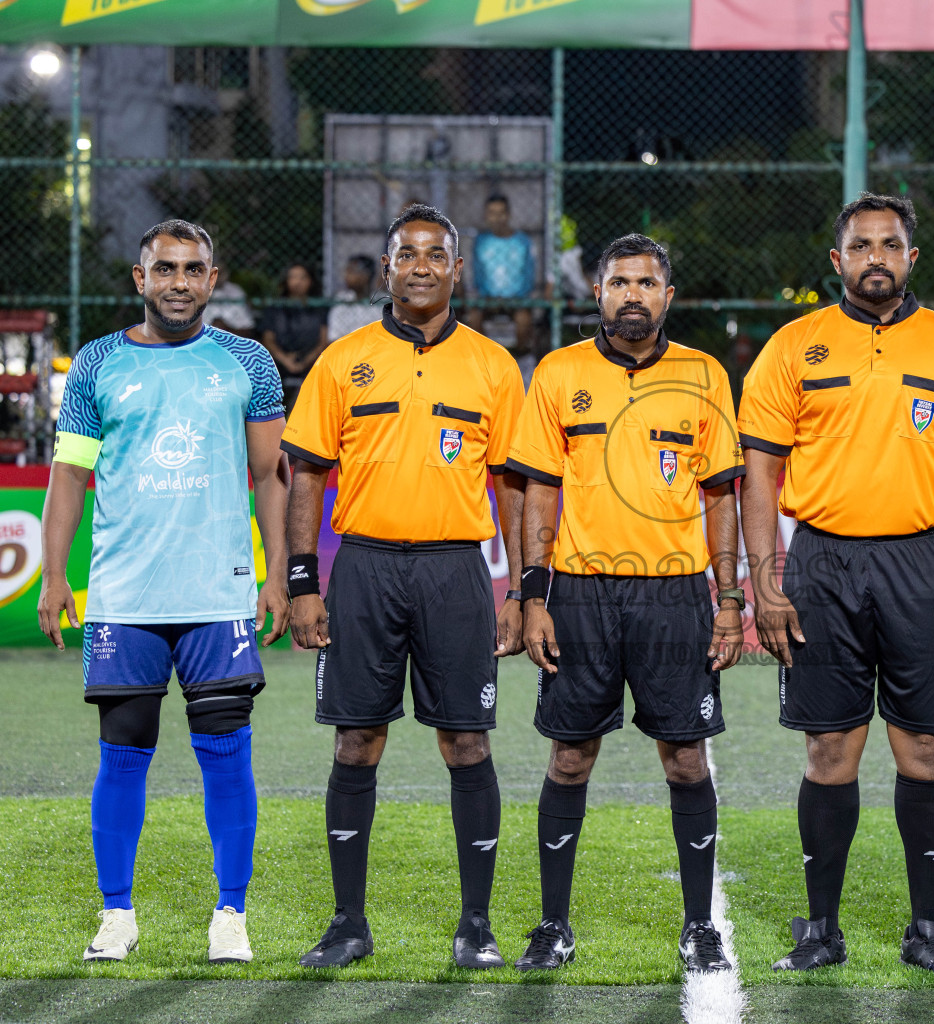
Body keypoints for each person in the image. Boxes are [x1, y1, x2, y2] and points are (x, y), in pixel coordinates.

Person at [737, 193, 934, 975]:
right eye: (860, 245)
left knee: (925, 749)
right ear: (837, 261)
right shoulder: (793, 347)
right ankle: (820, 928)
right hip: (822, 561)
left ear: (910, 258)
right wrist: (765, 582)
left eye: (889, 245)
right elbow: (757, 473)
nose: (875, 257)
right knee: (829, 748)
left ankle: (927, 929)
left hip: (925, 562)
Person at [37, 219, 290, 966]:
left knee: (226, 754)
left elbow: (271, 476)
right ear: (139, 279)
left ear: (213, 281)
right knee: (121, 757)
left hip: (218, 595)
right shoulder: (96, 364)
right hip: (126, 599)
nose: (179, 282)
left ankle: (231, 913)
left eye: (194, 269)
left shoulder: (247, 361)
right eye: (164, 268)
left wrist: (279, 573)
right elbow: (71, 476)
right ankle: (117, 914)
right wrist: (56, 575)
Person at [281, 203, 526, 971]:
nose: (420, 265)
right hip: (363, 568)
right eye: (406, 254)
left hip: (457, 571)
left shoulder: (492, 366)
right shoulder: (341, 359)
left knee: (466, 741)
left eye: (435, 254)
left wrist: (523, 589)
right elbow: (306, 474)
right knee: (357, 739)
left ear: (457, 268)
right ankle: (347, 923)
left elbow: (514, 487)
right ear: (385, 268)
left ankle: (476, 926)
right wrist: (301, 580)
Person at [504, 233, 745, 974]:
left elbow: (720, 496)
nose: (631, 295)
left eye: (646, 283)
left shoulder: (705, 375)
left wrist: (729, 598)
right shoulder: (560, 372)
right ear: (597, 293)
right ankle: (553, 926)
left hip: (675, 595)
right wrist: (532, 595)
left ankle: (700, 925)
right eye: (618, 282)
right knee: (570, 758)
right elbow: (537, 490)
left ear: (668, 297)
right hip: (579, 595)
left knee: (684, 759)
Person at [463, 194, 539, 353]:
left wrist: (519, 296)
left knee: (524, 320)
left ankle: (518, 357)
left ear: (508, 214)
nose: (497, 218)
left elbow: (529, 274)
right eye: (492, 213)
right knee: (473, 317)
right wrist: (485, 295)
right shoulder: (481, 241)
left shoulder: (522, 241)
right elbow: (477, 273)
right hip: (488, 298)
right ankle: (487, 356)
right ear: (486, 216)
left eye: (501, 213)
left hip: (517, 298)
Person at [259, 263, 329, 412]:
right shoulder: (275, 308)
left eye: (303, 277)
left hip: (311, 360)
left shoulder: (320, 308)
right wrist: (286, 360)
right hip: (280, 360)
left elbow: (323, 342)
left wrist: (304, 361)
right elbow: (268, 340)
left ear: (311, 281)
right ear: (286, 281)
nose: (297, 282)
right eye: (293, 277)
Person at [328, 254, 382, 343]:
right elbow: (334, 336)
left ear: (365, 275)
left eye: (351, 272)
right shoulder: (342, 300)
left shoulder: (381, 301)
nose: (346, 276)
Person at [204, 264, 255, 337]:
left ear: (227, 274)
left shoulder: (236, 292)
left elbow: (247, 329)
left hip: (231, 342)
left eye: (220, 272)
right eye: (212, 272)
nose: (217, 276)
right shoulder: (197, 291)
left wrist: (226, 330)